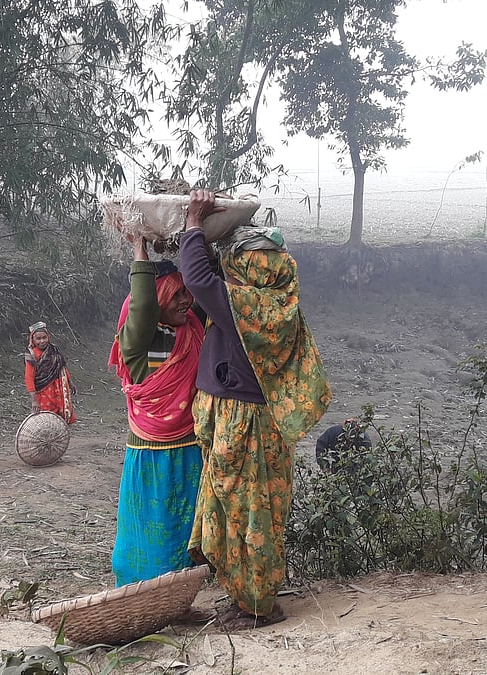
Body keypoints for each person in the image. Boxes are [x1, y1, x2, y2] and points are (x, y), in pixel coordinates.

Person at [179, 189, 332, 631]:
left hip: (245, 422)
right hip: (238, 418)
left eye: (239, 270)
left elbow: (199, 279)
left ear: (255, 274)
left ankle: (259, 605)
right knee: (237, 510)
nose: (234, 277)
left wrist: (192, 223)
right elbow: (206, 273)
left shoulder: (253, 308)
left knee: (250, 513)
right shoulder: (273, 301)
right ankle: (244, 597)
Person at [107, 235, 210, 604]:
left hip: (190, 451)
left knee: (184, 530)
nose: (187, 301)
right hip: (152, 454)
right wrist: (139, 251)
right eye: (177, 294)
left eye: (187, 293)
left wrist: (200, 237)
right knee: (148, 528)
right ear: (159, 297)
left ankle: (180, 599)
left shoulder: (192, 332)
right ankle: (141, 597)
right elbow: (142, 307)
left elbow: (207, 281)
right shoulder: (140, 342)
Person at [23, 322, 76, 424]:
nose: (42, 341)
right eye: (38, 339)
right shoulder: (31, 355)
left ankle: (59, 436)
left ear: (48, 337)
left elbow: (62, 367)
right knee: (45, 418)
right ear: (32, 340)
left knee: (60, 417)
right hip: (42, 393)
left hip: (58, 389)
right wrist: (34, 400)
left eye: (44, 337)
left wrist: (70, 382)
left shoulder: (54, 350)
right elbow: (29, 377)